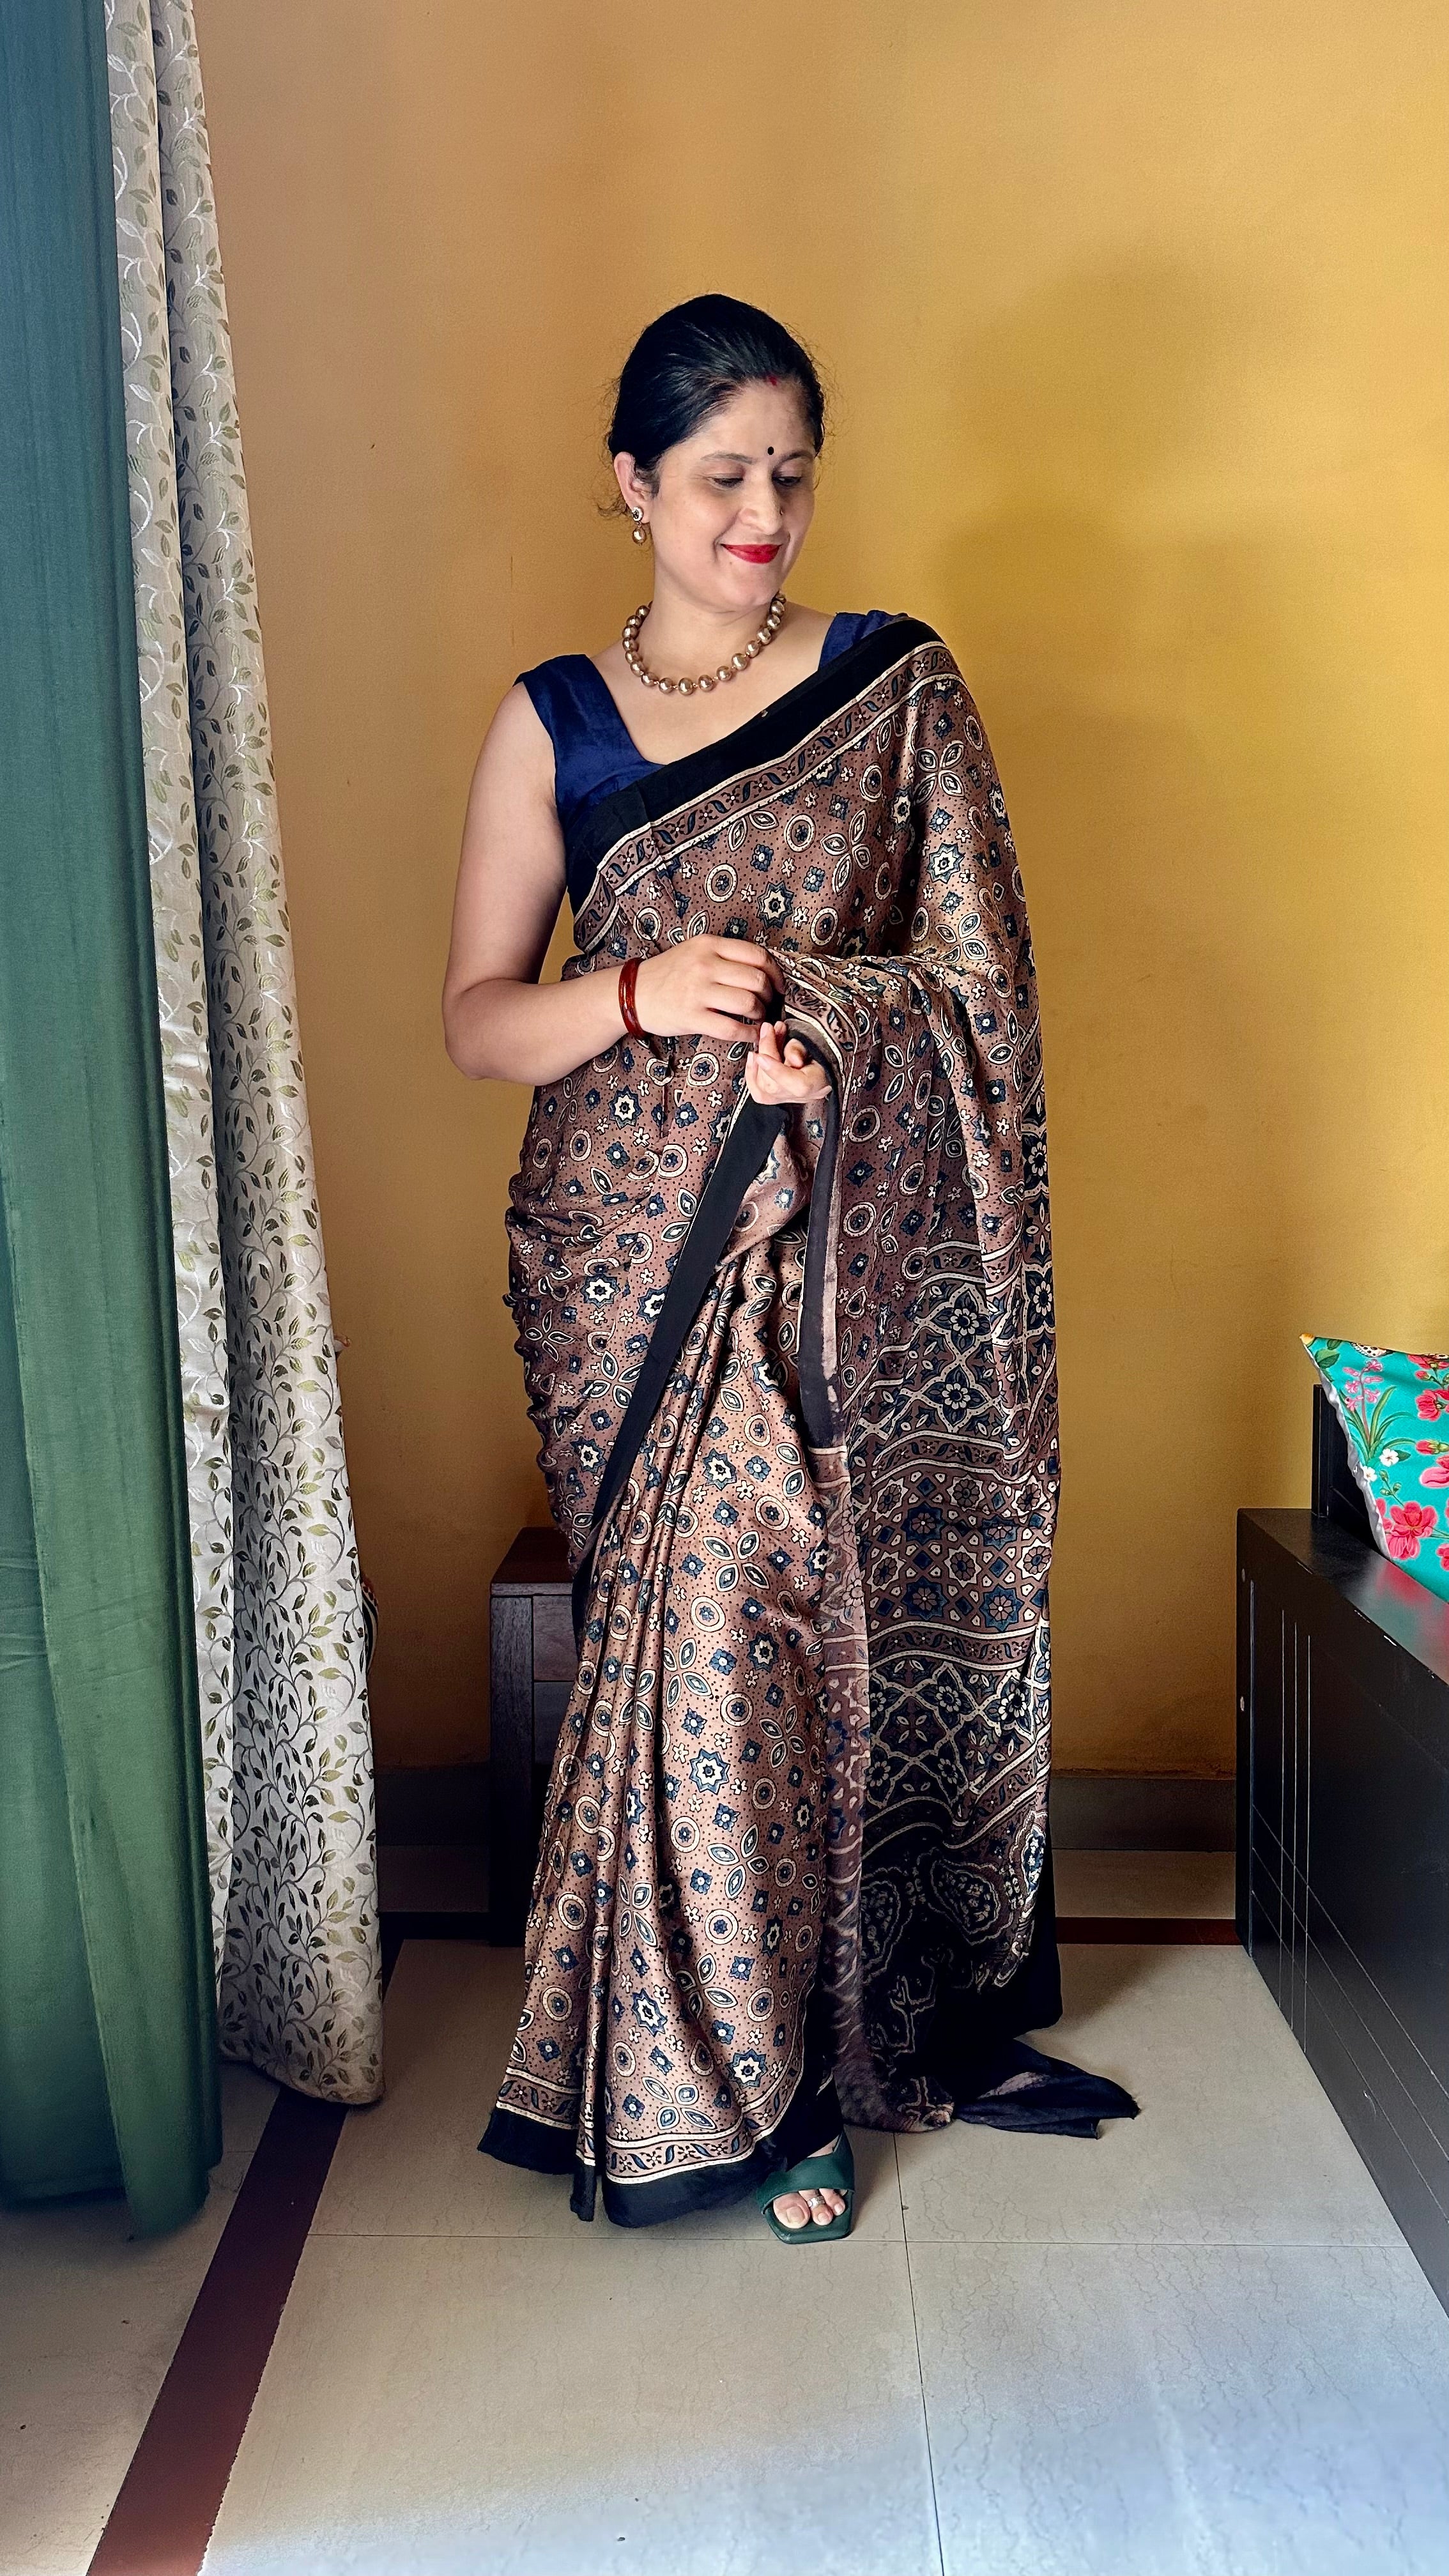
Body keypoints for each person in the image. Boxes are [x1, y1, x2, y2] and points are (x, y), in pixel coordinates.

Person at [444, 295, 1135, 2238]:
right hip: (618, 1261)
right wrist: (637, 992)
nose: (763, 516)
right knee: (697, 1645)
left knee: (771, 1639)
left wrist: (825, 1022)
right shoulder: (552, 721)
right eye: (721, 477)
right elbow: (479, 1020)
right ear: (632, 484)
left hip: (843, 1244)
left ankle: (787, 2075)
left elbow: (979, 992)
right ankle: (746, 2081)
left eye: (792, 476)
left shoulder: (892, 685)